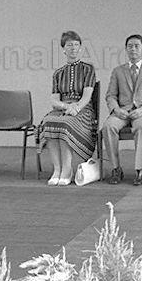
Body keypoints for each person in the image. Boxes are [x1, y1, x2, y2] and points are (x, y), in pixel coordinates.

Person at [102, 34, 142, 186]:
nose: (133, 49)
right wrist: (116, 109)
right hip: (122, 111)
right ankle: (116, 168)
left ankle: (139, 170)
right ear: (126, 49)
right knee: (108, 126)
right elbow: (110, 95)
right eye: (130, 46)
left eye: (136, 46)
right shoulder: (118, 71)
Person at [39, 31, 97, 186]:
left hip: (82, 110)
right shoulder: (58, 73)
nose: (73, 48)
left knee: (65, 123)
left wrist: (76, 108)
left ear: (80, 48)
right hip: (62, 108)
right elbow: (54, 100)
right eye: (69, 45)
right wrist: (66, 106)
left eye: (76, 45)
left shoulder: (88, 69)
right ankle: (57, 169)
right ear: (63, 49)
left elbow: (87, 95)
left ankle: (67, 169)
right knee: (48, 121)